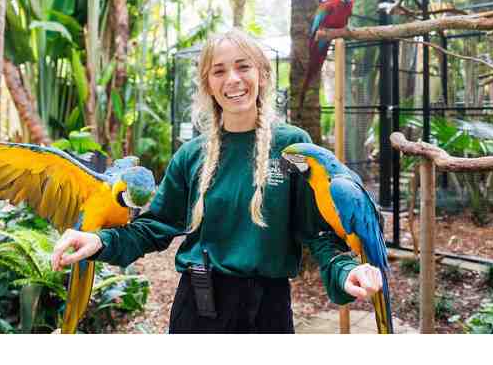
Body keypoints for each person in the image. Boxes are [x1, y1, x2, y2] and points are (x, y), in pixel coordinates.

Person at [51, 28, 383, 333]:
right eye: (219, 71)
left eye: (243, 67)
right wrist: (100, 241)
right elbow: (154, 227)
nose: (233, 79)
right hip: (198, 309)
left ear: (262, 74)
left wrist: (345, 272)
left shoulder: (292, 146)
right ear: (208, 83)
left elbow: (316, 231)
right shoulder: (191, 155)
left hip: (268, 310)